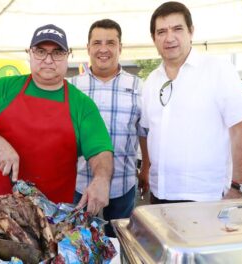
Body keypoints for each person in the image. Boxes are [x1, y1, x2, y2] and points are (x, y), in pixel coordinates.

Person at [0, 24, 114, 215]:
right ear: (30, 53)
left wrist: (101, 179)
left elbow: (101, 151)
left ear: (68, 56)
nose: (48, 60)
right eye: (41, 51)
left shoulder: (82, 105)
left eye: (57, 53)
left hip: (48, 216)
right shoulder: (4, 87)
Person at [140, 1, 242, 204]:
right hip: (160, 195)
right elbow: (150, 133)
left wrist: (237, 186)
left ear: (191, 32)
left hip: (205, 197)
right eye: (161, 32)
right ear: (153, 38)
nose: (169, 38)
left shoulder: (217, 70)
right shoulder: (151, 81)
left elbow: (239, 130)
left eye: (177, 29)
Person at [70, 19, 149, 237]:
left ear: (120, 48)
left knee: (119, 242)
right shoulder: (73, 87)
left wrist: (146, 169)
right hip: (80, 184)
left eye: (110, 43)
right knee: (80, 245)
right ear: (88, 48)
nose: (103, 49)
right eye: (97, 43)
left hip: (123, 184)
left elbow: (144, 132)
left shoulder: (138, 87)